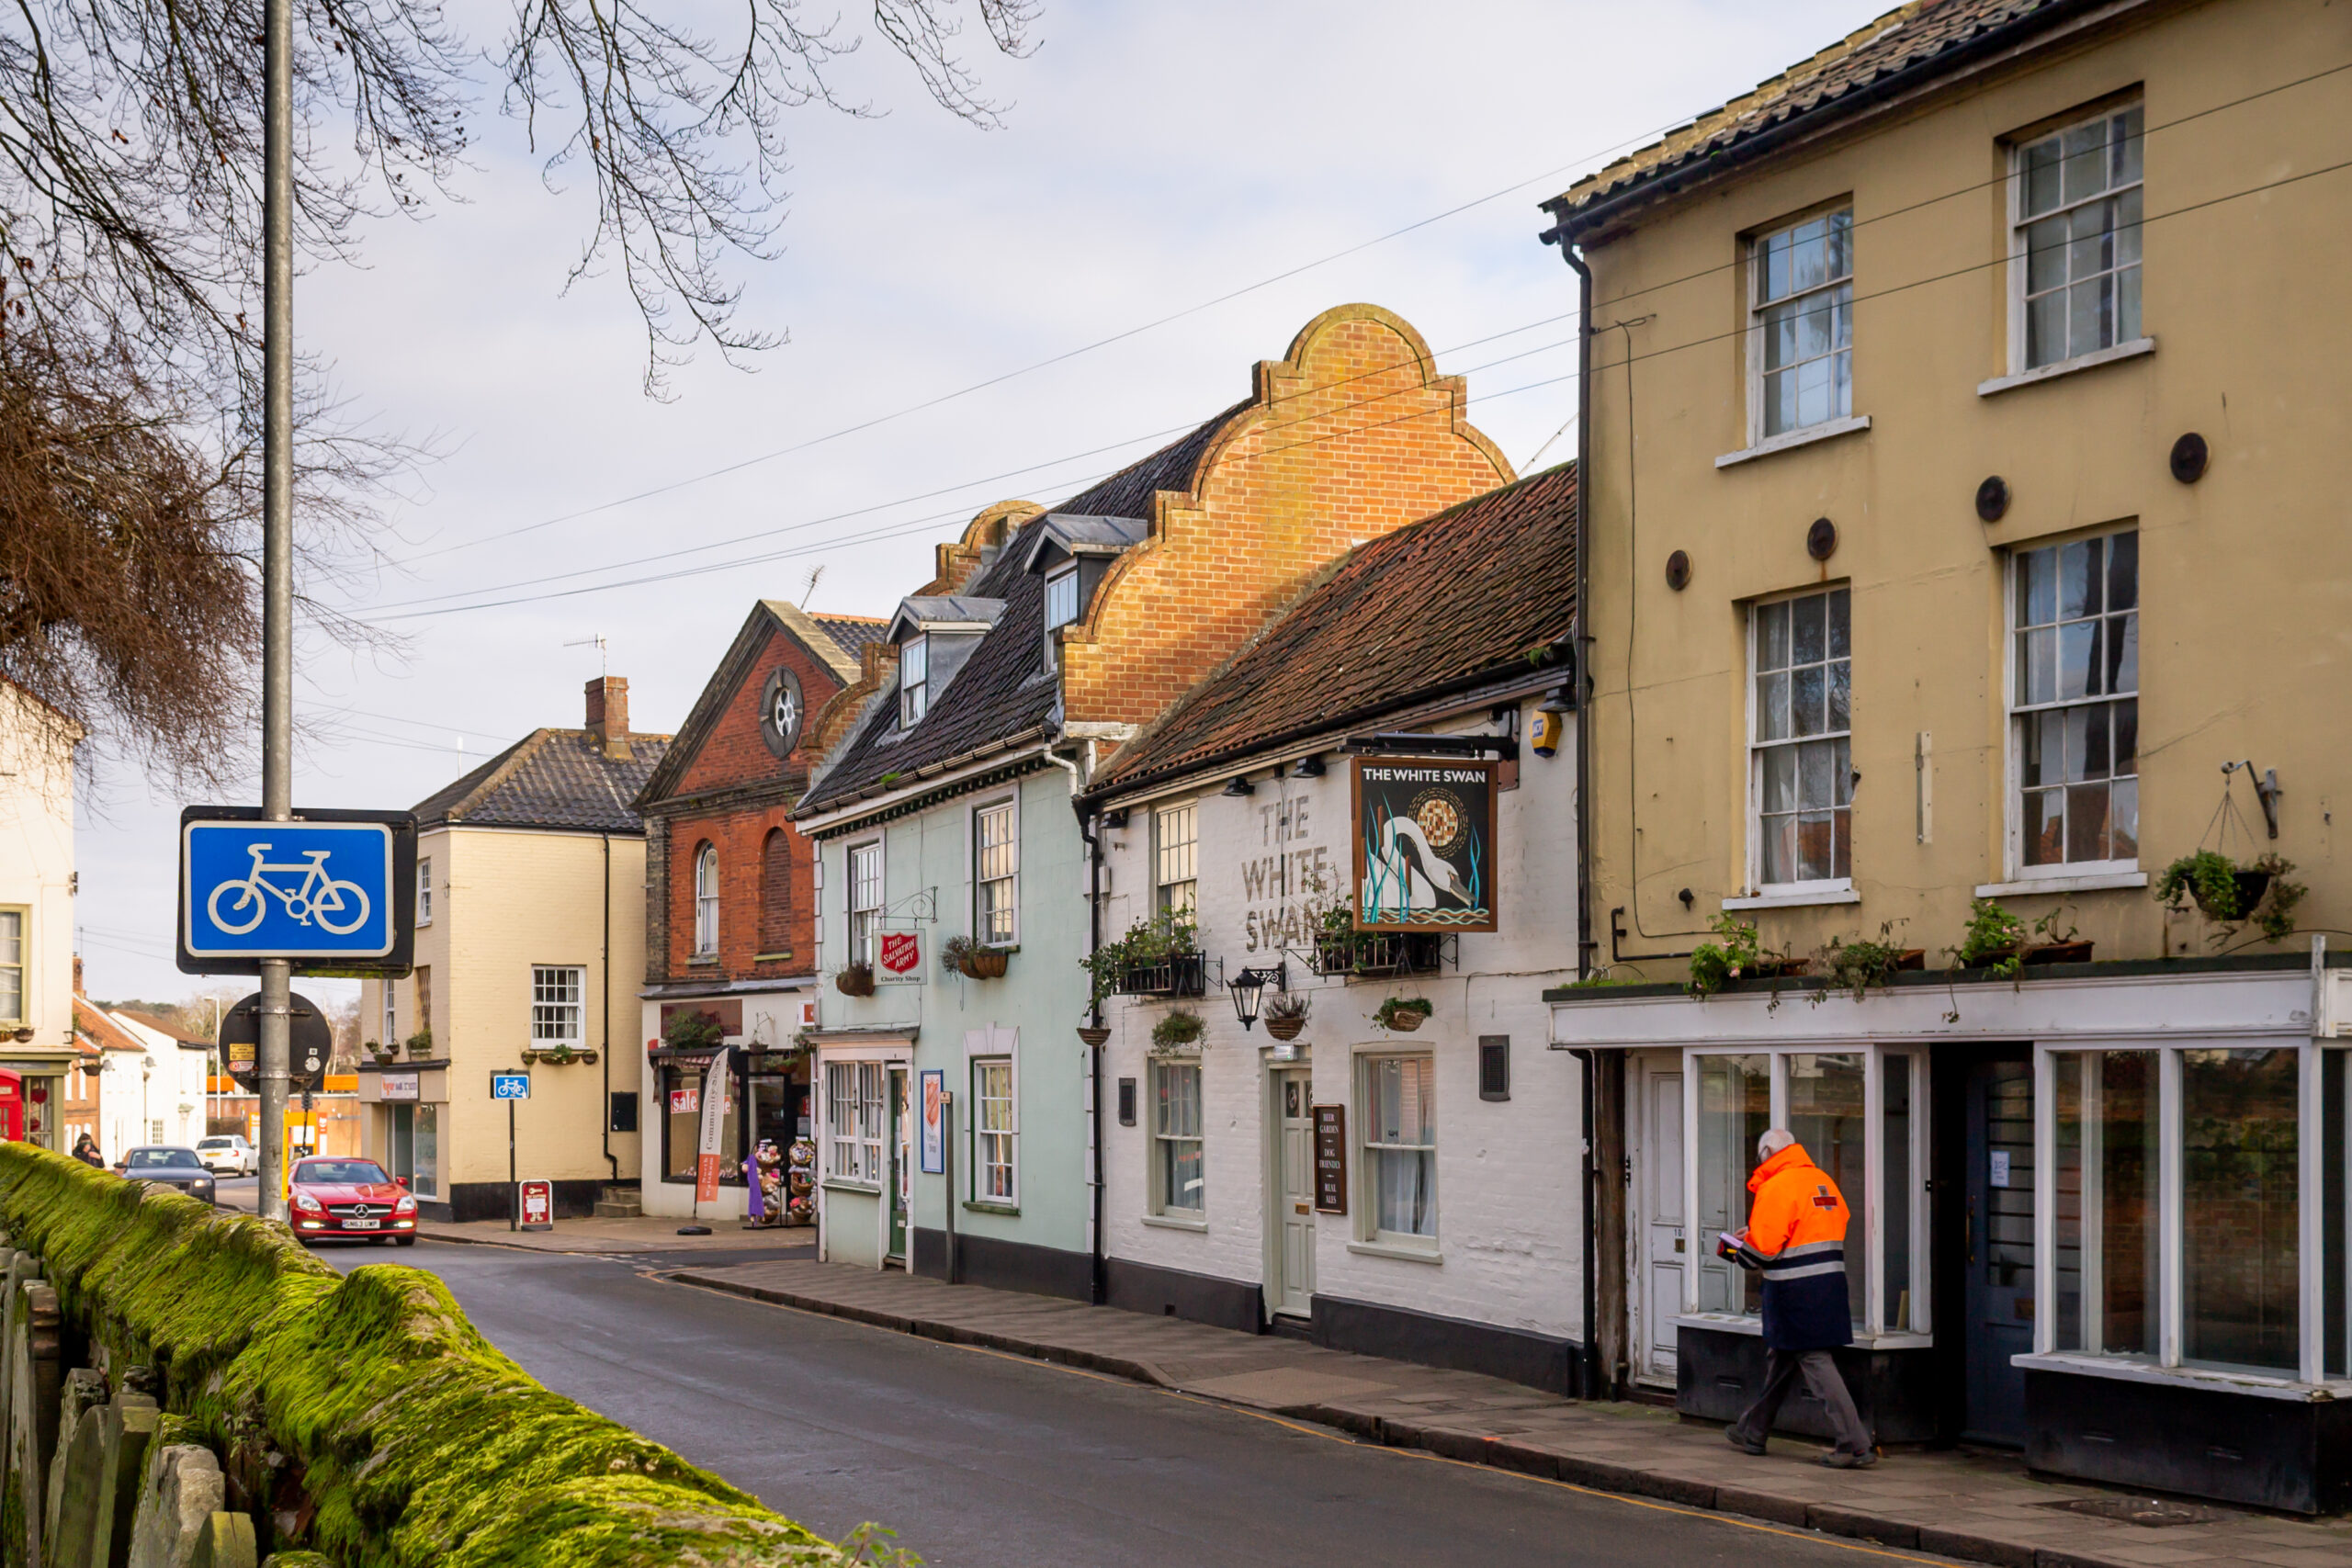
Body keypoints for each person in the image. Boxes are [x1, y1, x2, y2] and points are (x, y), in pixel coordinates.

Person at [1723, 1128, 1876, 1468]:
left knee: (1814, 1360)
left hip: (1793, 1289)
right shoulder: (1822, 1180)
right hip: (1830, 1283)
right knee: (1783, 1357)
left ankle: (1855, 1445)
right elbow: (1816, 1228)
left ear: (1766, 1153)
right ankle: (1753, 1430)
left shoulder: (1776, 1186)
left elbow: (1759, 1254)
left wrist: (1737, 1249)